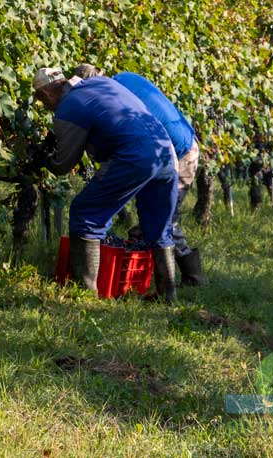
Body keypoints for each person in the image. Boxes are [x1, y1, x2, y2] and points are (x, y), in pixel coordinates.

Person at [32, 67, 180, 302]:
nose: (44, 105)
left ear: (47, 94)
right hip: (166, 153)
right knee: (158, 224)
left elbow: (62, 164)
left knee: (86, 213)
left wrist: (43, 158)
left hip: (135, 155)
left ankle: (85, 294)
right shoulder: (101, 84)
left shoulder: (68, 107)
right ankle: (167, 295)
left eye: (40, 100)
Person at [72, 64, 204, 286]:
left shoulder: (113, 95)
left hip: (178, 153)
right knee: (156, 219)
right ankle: (164, 281)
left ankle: (192, 277)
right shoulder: (125, 78)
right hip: (173, 145)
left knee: (163, 220)